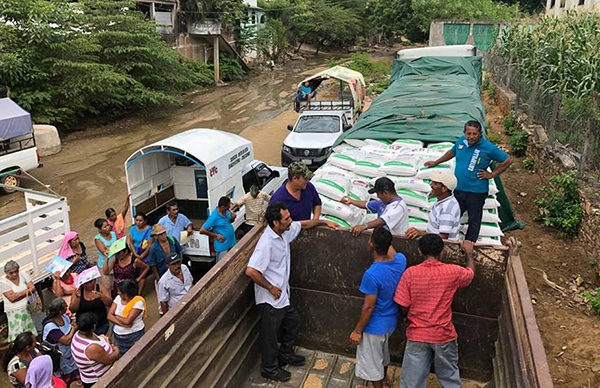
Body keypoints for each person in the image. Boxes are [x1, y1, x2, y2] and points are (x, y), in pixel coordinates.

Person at [245, 202, 338, 382]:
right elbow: (251, 271)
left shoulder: (285, 233)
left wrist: (323, 222)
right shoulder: (266, 243)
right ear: (275, 222)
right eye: (286, 218)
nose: (290, 221)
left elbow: (303, 224)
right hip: (270, 299)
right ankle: (269, 369)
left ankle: (285, 355)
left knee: (293, 322)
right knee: (270, 337)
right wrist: (270, 287)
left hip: (283, 297)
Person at [394, 234, 475, 388]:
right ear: (442, 252)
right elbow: (470, 274)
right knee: (450, 377)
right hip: (443, 334)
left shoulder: (410, 274)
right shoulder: (452, 272)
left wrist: (405, 317)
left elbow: (402, 304)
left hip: (417, 334)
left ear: (419, 252)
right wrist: (469, 253)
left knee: (412, 381)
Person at [424, 120, 513, 244]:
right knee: (451, 217)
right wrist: (436, 162)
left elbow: (508, 160)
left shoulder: (488, 147)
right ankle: (446, 243)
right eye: (468, 133)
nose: (471, 137)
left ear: (480, 134)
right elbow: (452, 152)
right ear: (464, 133)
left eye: (474, 134)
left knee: (474, 220)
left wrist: (491, 174)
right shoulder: (461, 141)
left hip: (476, 191)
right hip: (459, 189)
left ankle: (468, 246)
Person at [350, 228, 406, 388]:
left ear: (371, 244)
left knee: (373, 364)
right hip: (391, 322)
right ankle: (385, 380)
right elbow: (391, 249)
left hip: (374, 326)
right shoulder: (400, 260)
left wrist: (357, 331)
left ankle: (379, 385)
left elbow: (368, 307)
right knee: (383, 354)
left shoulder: (372, 274)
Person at [342, 177, 409, 237]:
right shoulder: (384, 202)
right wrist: (351, 201)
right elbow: (367, 204)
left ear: (385, 193)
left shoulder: (398, 207)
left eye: (378, 194)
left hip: (396, 239)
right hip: (384, 238)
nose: (378, 196)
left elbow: (382, 221)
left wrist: (364, 226)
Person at [405, 170, 461, 241]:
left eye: (435, 183)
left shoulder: (447, 208)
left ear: (444, 188)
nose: (431, 185)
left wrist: (421, 233)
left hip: (442, 247)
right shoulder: (442, 200)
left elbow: (443, 236)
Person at [71, 312, 119, 388]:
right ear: (94, 326)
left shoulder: (78, 334)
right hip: (98, 379)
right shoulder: (91, 348)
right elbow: (108, 360)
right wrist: (116, 350)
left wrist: (104, 340)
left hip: (90, 375)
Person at [41, 299, 81, 387]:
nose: (67, 308)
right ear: (59, 311)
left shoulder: (64, 317)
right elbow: (66, 341)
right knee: (63, 381)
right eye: (65, 307)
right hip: (59, 358)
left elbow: (71, 324)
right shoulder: (50, 326)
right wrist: (73, 329)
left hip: (70, 354)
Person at [1, 261, 37, 341]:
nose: (14, 274)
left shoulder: (23, 274)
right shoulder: (3, 282)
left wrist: (17, 294)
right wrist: (27, 291)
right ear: (6, 273)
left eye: (16, 271)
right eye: (11, 273)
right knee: (18, 334)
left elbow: (33, 288)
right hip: (14, 312)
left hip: (26, 308)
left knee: (29, 331)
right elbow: (12, 299)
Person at [69, 267, 112, 336]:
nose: (89, 285)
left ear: (94, 280)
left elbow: (110, 303)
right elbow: (73, 310)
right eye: (86, 283)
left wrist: (101, 296)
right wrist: (77, 298)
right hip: (84, 327)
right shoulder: (78, 292)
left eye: (91, 281)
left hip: (101, 324)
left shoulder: (100, 288)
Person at [107, 280, 146, 355]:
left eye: (119, 291)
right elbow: (109, 316)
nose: (118, 293)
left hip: (134, 335)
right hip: (118, 336)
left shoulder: (138, 302)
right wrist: (124, 324)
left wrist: (115, 316)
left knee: (137, 354)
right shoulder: (118, 298)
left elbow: (127, 321)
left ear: (125, 293)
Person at [200, 196, 237, 262]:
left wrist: (233, 218)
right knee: (222, 265)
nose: (229, 208)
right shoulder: (214, 217)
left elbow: (229, 221)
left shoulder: (226, 212)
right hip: (223, 246)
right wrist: (216, 235)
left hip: (231, 243)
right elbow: (202, 230)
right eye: (228, 206)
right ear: (223, 207)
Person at [94, 218, 117, 291]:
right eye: (105, 227)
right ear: (100, 230)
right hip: (105, 265)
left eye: (108, 225)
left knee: (116, 285)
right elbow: (105, 252)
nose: (108, 227)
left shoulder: (113, 234)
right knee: (107, 288)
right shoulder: (98, 239)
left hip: (115, 263)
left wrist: (109, 247)